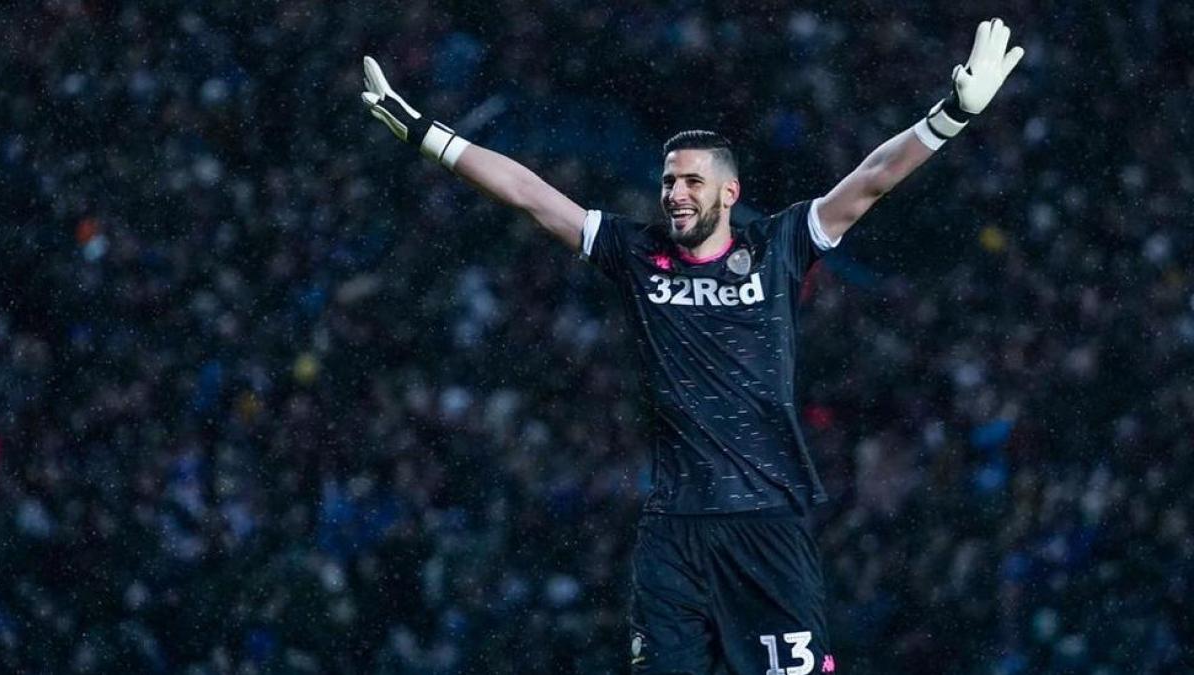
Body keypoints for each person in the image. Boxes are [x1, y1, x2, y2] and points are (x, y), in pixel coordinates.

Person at [360, 18, 1024, 674]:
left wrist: (951, 116)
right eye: (668, 182)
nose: (675, 194)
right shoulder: (635, 252)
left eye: (691, 182)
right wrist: (428, 135)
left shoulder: (779, 245)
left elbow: (872, 178)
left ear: (729, 193)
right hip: (673, 533)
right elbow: (530, 195)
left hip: (766, 526)